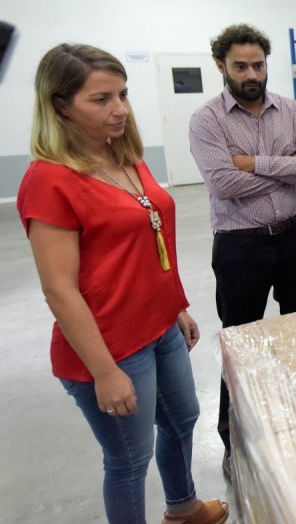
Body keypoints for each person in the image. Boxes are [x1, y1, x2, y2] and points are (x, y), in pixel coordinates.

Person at [17, 44, 228, 524]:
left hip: (159, 328)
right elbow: (59, 289)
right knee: (130, 460)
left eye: (123, 95)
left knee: (182, 422)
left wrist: (174, 306)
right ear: (60, 105)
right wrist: (105, 372)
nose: (120, 109)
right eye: (101, 99)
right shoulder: (49, 180)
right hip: (110, 346)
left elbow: (147, 242)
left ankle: (183, 508)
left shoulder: (126, 156)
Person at [188, 23, 296, 479]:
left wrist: (254, 164)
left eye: (258, 65)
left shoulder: (290, 110)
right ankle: (234, 443)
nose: (252, 74)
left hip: (294, 239)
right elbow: (223, 184)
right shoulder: (207, 120)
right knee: (239, 344)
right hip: (240, 246)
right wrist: (287, 170)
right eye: (241, 66)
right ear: (221, 67)